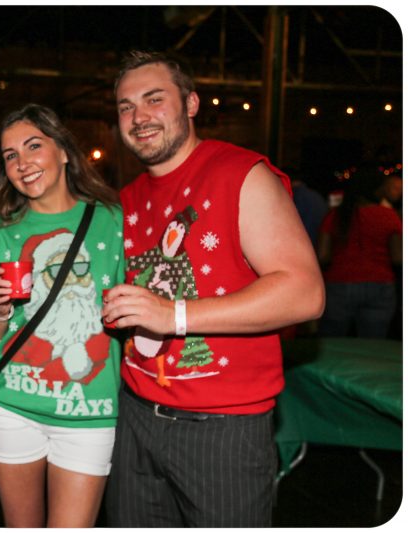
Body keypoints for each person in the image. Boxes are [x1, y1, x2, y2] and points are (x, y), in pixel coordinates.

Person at [101, 50, 324, 527]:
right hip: (135, 417)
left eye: (154, 99)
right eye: (125, 106)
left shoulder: (239, 173)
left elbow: (305, 293)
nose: (139, 117)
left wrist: (174, 315)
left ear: (191, 103)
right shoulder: (127, 198)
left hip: (222, 427)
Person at [0, 104, 124, 527]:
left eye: (33, 146)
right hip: (12, 406)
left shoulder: (113, 221)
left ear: (63, 151)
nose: (22, 163)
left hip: (90, 412)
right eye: (10, 155)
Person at [317, 164, 402, 338]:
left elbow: (322, 256)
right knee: (372, 345)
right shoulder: (389, 216)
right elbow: (398, 257)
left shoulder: (336, 215)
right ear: (376, 189)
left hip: (339, 283)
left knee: (333, 343)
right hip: (380, 285)